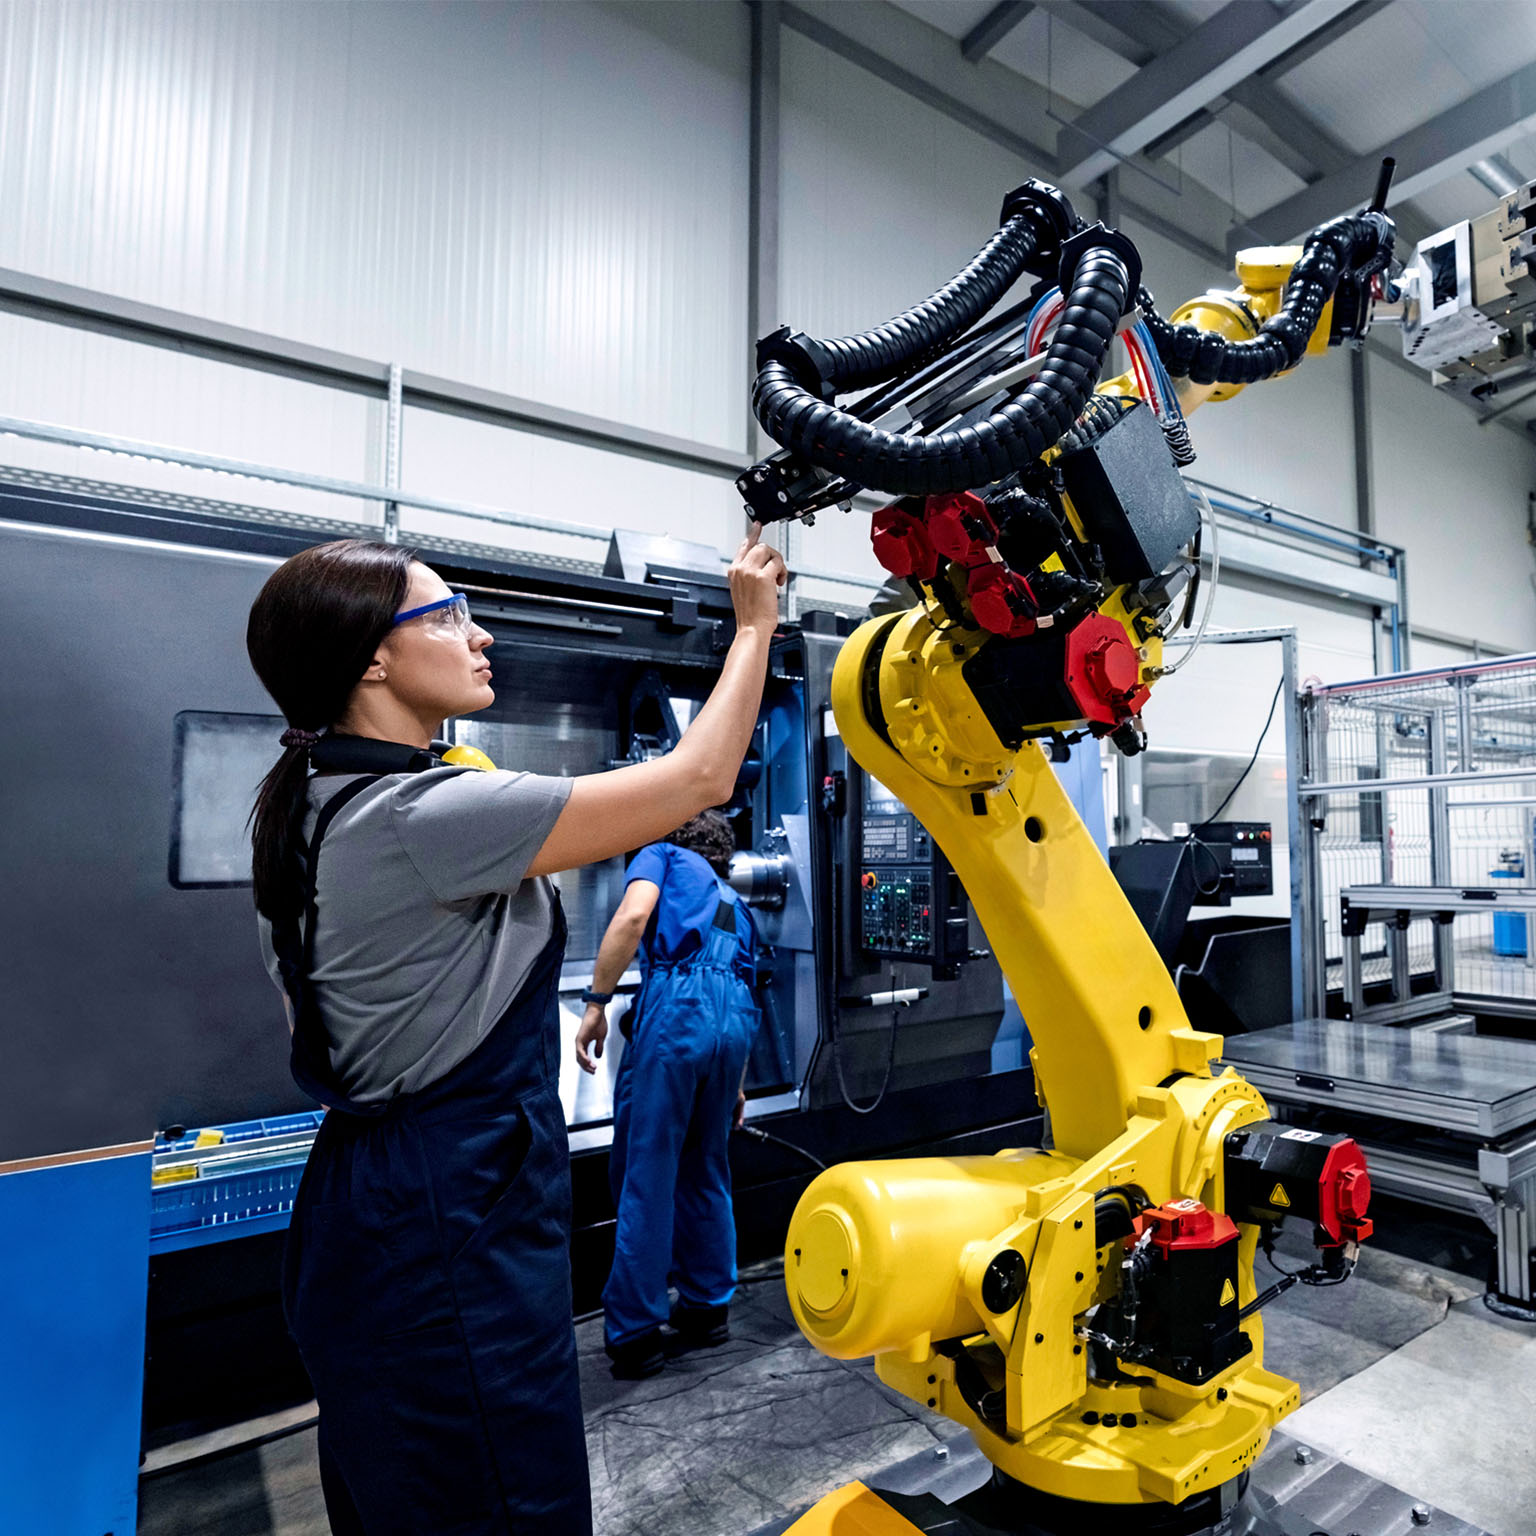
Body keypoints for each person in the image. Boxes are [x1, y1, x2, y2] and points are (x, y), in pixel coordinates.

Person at [245, 528, 786, 1536]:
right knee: (498, 1499)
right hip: (447, 1213)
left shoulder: (314, 803)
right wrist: (755, 624)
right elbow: (700, 778)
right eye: (447, 615)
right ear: (373, 658)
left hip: (372, 1197)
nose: (478, 634)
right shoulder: (423, 813)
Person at [575, 810, 760, 1379]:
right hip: (733, 1030)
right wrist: (737, 1086)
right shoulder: (737, 903)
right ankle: (707, 1311)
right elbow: (745, 987)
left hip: (679, 1013)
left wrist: (596, 1002)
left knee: (647, 1173)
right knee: (706, 1169)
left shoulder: (661, 855)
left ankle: (635, 1334)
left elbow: (633, 917)